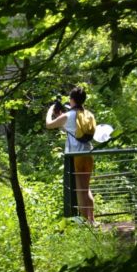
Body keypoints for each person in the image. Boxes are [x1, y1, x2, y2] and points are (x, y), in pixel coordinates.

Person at [46, 86, 95, 222]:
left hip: (76, 156)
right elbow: (71, 129)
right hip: (88, 154)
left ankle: (87, 223)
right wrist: (60, 116)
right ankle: (92, 220)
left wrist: (50, 111)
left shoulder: (68, 115)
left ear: (71, 99)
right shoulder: (88, 114)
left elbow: (49, 124)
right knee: (86, 188)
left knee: (80, 190)